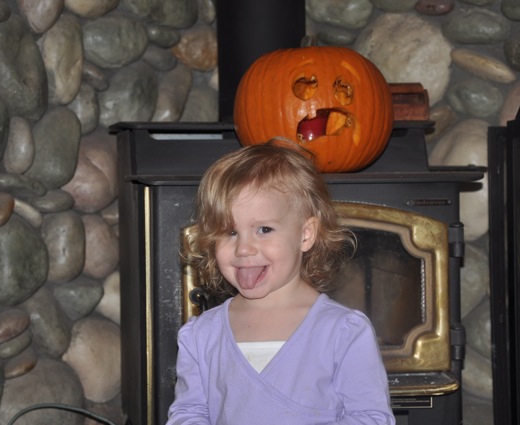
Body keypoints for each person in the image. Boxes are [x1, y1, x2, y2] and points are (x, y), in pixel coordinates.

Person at [166, 139, 395, 425]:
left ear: (305, 234)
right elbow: (189, 414)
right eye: (230, 232)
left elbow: (370, 418)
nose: (244, 249)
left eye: (264, 229)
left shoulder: (342, 332)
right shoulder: (201, 336)